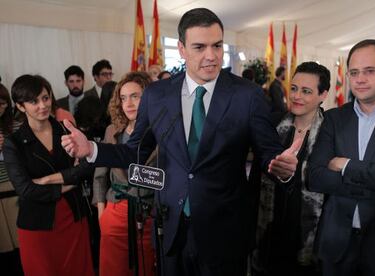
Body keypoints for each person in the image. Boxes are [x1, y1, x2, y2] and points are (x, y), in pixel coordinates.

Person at [61, 8, 300, 276]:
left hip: (224, 230)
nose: (211, 56)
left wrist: (282, 166)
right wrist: (92, 149)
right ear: (182, 49)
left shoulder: (248, 96)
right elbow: (134, 153)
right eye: (200, 47)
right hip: (170, 227)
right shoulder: (157, 95)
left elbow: (268, 153)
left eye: (217, 45)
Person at [308, 39, 375, 276]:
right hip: (336, 245)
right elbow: (315, 177)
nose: (360, 79)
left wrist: (345, 165)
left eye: (369, 71)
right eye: (354, 72)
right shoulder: (334, 119)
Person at [3, 74, 94, 276]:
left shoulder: (67, 129)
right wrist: (69, 181)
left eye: (45, 98)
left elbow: (86, 169)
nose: (42, 105)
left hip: (74, 217)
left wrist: (46, 180)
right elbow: (25, 189)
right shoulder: (14, 143)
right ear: (20, 106)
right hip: (37, 225)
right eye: (33, 101)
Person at [252, 61, 330, 276]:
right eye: (294, 88)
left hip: (307, 231)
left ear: (323, 95)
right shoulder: (274, 124)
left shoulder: (330, 132)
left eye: (306, 91)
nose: (297, 96)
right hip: (270, 226)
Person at [92, 71, 155, 276]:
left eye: (135, 96)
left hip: (150, 213)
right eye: (123, 98)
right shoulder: (112, 131)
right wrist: (102, 213)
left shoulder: (161, 131)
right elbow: (100, 175)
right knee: (113, 270)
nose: (128, 103)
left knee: (147, 269)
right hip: (115, 210)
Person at [0, 83, 23, 275]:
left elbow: (27, 158)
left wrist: (6, 149)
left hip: (14, 187)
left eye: (2, 104)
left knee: (20, 247)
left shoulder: (15, 127)